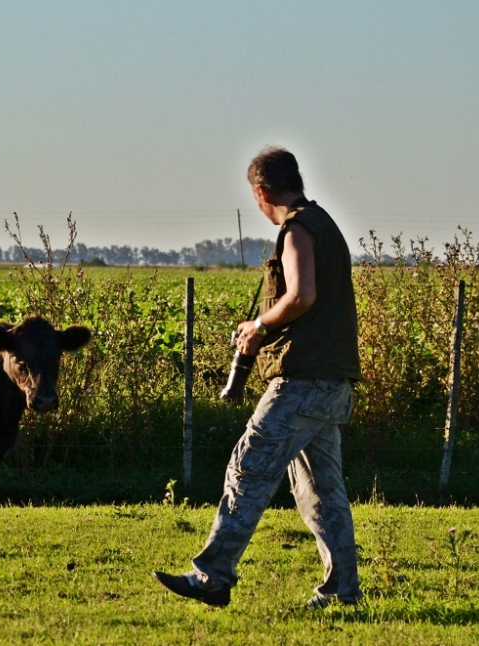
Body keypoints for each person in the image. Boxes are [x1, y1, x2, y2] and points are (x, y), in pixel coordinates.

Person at [153, 146, 362, 609]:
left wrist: (259, 326)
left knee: (246, 469)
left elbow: (302, 295)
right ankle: (342, 593)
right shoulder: (325, 222)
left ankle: (212, 577)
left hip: (303, 381)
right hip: (333, 383)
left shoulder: (297, 230)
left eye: (257, 198)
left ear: (263, 191)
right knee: (322, 492)